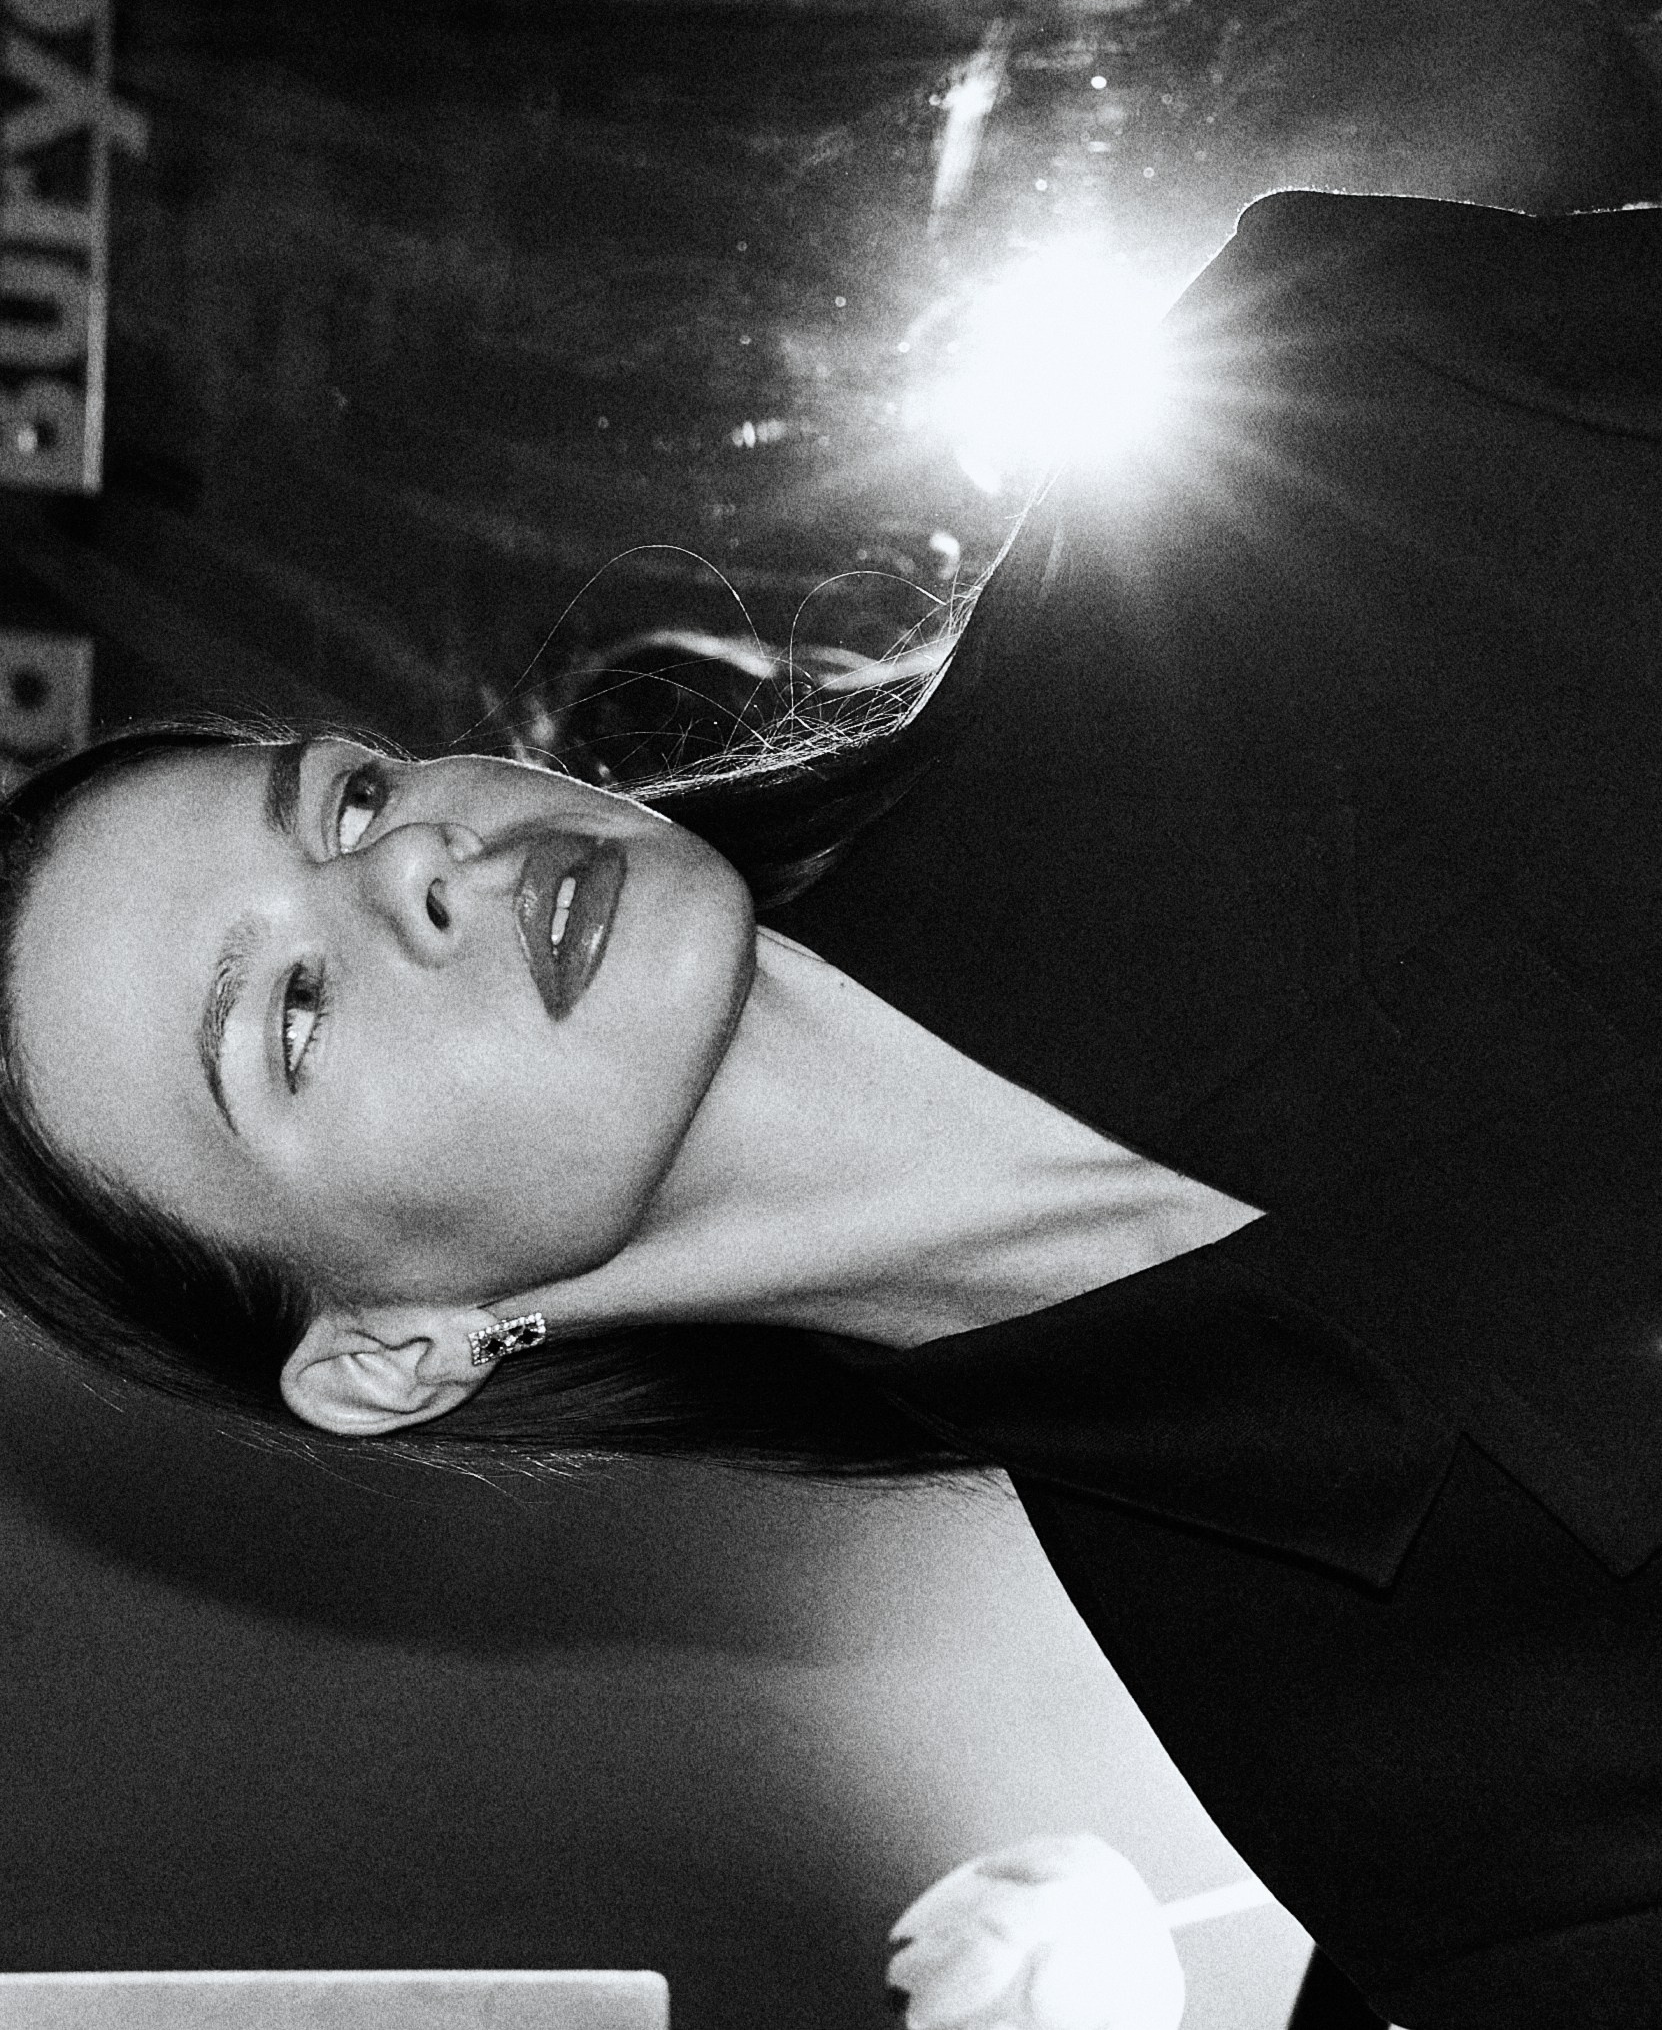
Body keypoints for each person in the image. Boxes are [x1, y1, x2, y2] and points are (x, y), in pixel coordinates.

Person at [2, 187, 1661, 2028]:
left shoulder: (1331, 456)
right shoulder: (1395, 1780)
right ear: (394, 1350)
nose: (417, 871)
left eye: (349, 801)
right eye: (292, 1017)